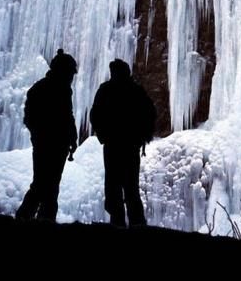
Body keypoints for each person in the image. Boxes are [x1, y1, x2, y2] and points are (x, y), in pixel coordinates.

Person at [90, 59, 156, 227]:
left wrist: (103, 135)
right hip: (129, 146)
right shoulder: (136, 91)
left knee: (115, 185)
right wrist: (142, 137)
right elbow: (150, 114)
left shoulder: (106, 90)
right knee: (130, 186)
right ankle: (136, 223)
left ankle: (118, 222)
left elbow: (95, 114)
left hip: (114, 145)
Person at [16, 49, 78, 222]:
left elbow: (68, 116)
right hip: (49, 143)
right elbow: (33, 117)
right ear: (62, 71)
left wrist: (71, 139)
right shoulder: (46, 89)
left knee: (47, 184)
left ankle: (36, 217)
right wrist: (42, 135)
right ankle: (30, 217)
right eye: (70, 73)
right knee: (44, 184)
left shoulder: (55, 89)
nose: (71, 78)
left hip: (55, 144)